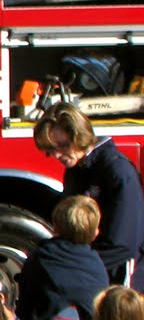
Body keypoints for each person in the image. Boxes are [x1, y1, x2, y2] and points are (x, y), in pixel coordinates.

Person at [35, 103, 144, 287]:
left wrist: (75, 266)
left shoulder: (117, 171)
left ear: (80, 135)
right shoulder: (76, 169)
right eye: (51, 150)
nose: (57, 155)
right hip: (96, 271)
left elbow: (123, 244)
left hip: (123, 278)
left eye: (63, 145)